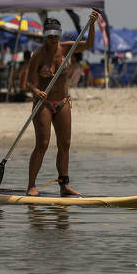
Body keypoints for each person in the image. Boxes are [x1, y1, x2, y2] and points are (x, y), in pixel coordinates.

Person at [26, 12, 99, 197]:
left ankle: (64, 185)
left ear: (59, 34)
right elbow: (29, 82)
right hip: (43, 104)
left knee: (65, 144)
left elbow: (89, 44)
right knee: (42, 144)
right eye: (49, 36)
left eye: (55, 35)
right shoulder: (38, 55)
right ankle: (31, 185)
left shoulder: (67, 48)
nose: (52, 39)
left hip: (63, 102)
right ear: (45, 35)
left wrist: (91, 25)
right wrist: (36, 91)